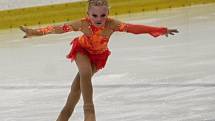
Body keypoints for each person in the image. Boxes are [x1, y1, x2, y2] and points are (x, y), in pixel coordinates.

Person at [20, 0, 179, 121]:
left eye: (103, 15)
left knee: (75, 92)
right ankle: (89, 110)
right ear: (88, 13)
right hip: (82, 51)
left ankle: (63, 117)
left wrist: (160, 30)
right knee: (85, 72)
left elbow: (134, 28)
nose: (98, 19)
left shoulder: (112, 24)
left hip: (98, 57)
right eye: (94, 15)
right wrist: (35, 32)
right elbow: (58, 29)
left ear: (108, 13)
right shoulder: (82, 24)